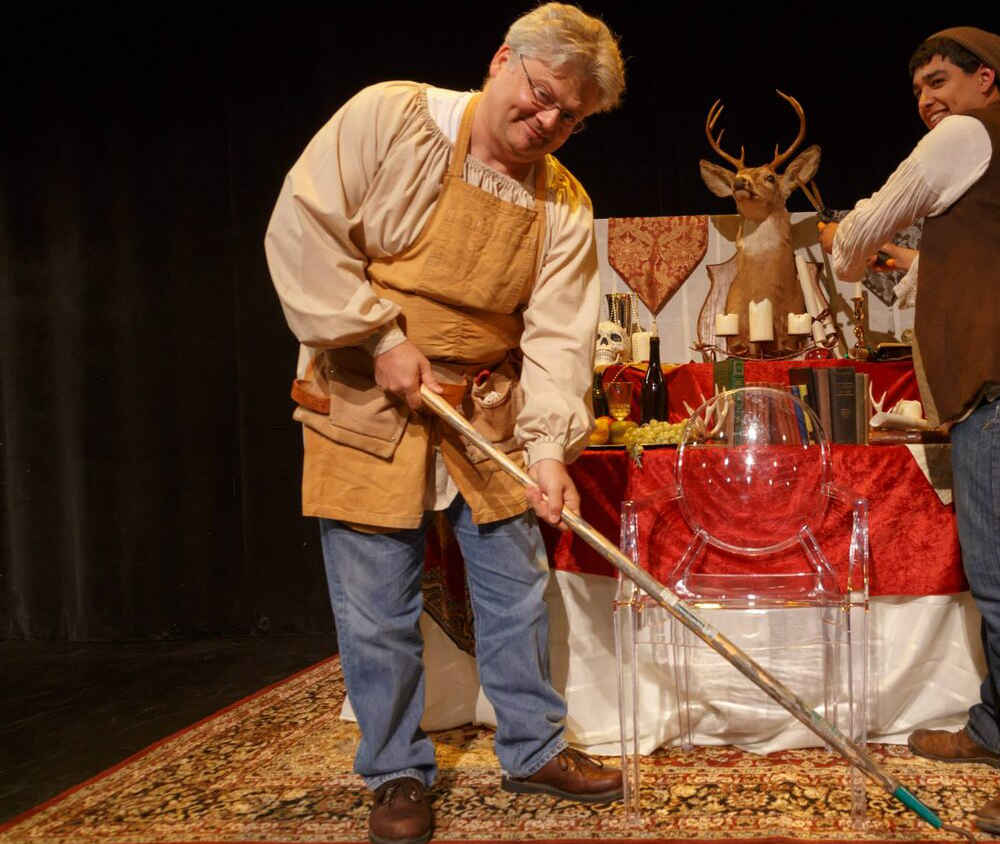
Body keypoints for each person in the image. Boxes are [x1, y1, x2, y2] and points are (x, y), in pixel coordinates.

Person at [264, 5, 625, 842]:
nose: (546, 124)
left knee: (516, 588)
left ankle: (533, 749)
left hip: (483, 407)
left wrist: (548, 449)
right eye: (539, 98)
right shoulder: (393, 118)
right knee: (376, 606)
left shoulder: (564, 204)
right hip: (363, 388)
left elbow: (560, 336)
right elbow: (303, 230)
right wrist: (379, 336)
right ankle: (395, 769)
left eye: (569, 117)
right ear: (503, 60)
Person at [819, 27, 1000, 838]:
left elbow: (870, 225)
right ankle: (996, 726)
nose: (927, 101)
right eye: (918, 90)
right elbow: (989, 260)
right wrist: (917, 266)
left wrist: (846, 241)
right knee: (997, 565)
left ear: (986, 80)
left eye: (940, 81)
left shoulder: (967, 134)